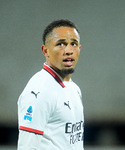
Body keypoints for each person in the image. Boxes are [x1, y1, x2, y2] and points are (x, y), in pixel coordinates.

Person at [17, 19, 84, 150]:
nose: (69, 50)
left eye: (74, 44)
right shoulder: (40, 91)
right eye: (61, 44)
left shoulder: (74, 88)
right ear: (45, 51)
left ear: (79, 49)